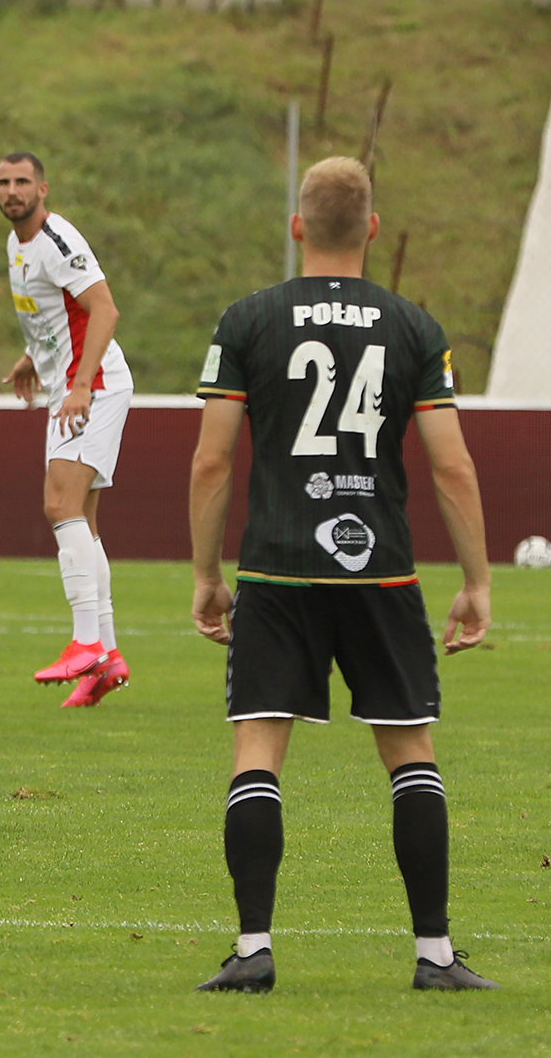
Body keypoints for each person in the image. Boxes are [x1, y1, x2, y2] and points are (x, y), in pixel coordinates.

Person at [188, 156, 495, 994]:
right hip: (381, 575)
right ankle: (435, 956)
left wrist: (207, 573)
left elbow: (212, 462)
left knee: (258, 750)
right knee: (410, 752)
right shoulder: (414, 326)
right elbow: (452, 467)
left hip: (277, 570)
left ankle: (254, 948)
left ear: (297, 226)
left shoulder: (247, 320)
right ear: (372, 229)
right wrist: (477, 583)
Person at [0, 151, 134, 706]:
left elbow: (105, 310)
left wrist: (79, 385)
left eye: (22, 181)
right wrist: (32, 357)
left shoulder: (57, 240)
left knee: (60, 506)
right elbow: (49, 315)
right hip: (71, 386)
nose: (12, 191)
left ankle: (86, 643)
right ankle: (108, 659)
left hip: (92, 386)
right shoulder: (16, 245)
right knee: (83, 521)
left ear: (43, 189)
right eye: (3, 182)